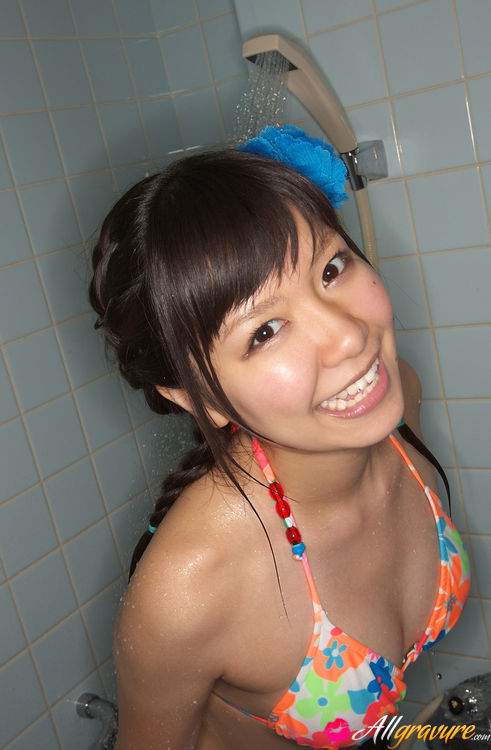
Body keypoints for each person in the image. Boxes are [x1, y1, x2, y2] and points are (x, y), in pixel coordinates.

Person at [89, 125, 470, 750]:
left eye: (331, 268)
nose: (349, 335)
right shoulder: (186, 590)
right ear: (199, 398)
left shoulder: (398, 397)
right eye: (264, 332)